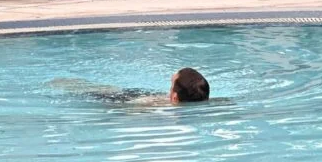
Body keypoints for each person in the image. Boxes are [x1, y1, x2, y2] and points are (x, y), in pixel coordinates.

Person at [50, 67, 211, 106]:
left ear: (174, 97)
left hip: (128, 101)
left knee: (99, 92)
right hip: (149, 98)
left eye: (171, 85)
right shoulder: (200, 98)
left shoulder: (148, 107)